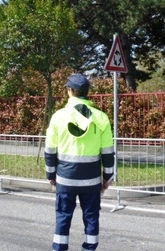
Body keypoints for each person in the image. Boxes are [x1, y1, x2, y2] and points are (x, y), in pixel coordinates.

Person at [45, 74, 114, 251]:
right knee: (91, 217)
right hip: (91, 180)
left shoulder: (58, 116)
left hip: (65, 178)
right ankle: (89, 249)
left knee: (63, 216)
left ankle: (59, 248)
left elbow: (50, 150)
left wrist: (50, 174)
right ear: (87, 92)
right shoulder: (101, 117)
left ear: (70, 91)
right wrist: (108, 177)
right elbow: (108, 152)